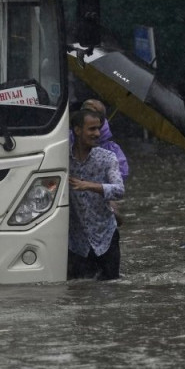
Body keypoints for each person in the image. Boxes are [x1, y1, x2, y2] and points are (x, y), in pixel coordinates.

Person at [68, 108, 125, 281]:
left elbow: (119, 190)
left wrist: (90, 186)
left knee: (111, 288)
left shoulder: (108, 158)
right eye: (92, 129)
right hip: (77, 243)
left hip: (106, 237)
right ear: (77, 130)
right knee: (78, 290)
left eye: (99, 128)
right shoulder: (61, 158)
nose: (97, 133)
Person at [81, 98, 129, 225]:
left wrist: (100, 183)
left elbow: (121, 177)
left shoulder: (111, 151)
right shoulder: (70, 139)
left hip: (102, 192)